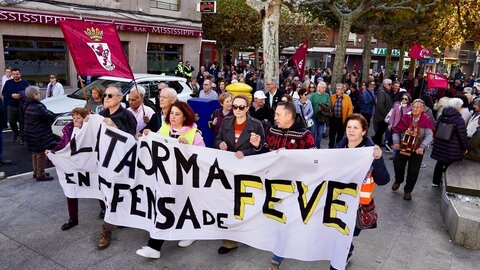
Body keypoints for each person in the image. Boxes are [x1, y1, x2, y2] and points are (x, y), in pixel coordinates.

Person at [249, 101, 315, 270]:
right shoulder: (272, 130)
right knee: (277, 219)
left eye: (278, 114)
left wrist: (290, 157)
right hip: (273, 185)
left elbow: (314, 161)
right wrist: (258, 146)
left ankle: (279, 253)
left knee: (288, 220)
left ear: (288, 115)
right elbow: (267, 152)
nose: (275, 117)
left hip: (294, 188)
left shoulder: (304, 134)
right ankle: (279, 245)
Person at [136, 101, 205, 259]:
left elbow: (203, 156)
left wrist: (189, 146)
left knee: (182, 208)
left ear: (185, 116)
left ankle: (189, 233)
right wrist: (148, 135)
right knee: (165, 208)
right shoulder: (164, 128)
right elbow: (156, 143)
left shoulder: (194, 133)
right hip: (165, 178)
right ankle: (154, 246)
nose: (173, 117)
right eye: (171, 113)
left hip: (185, 180)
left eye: (177, 114)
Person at [334, 114, 389, 268]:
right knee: (339, 235)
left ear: (364, 131)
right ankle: (345, 252)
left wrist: (378, 159)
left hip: (358, 206)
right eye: (349, 127)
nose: (351, 131)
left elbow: (384, 180)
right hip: (338, 203)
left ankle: (342, 256)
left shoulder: (371, 152)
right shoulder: (339, 148)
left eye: (356, 128)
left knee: (345, 236)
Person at [215, 94, 265, 255]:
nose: (237, 109)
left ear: (247, 108)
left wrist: (246, 152)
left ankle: (249, 234)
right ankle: (229, 241)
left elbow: (262, 149)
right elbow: (217, 139)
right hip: (228, 170)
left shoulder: (256, 125)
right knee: (230, 203)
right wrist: (220, 143)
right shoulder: (227, 122)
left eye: (241, 107)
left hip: (248, 171)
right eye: (235, 106)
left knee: (247, 204)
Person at [96, 85, 137, 250]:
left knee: (116, 196)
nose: (105, 97)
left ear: (120, 98)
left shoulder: (127, 115)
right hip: (105, 163)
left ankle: (106, 231)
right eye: (105, 95)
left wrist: (114, 127)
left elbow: (131, 137)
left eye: (110, 95)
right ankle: (113, 222)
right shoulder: (101, 114)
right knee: (109, 196)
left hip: (121, 164)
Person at [48, 107, 88, 230]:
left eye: (78, 117)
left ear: (84, 118)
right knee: (70, 190)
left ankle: (103, 209)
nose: (75, 120)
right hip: (72, 165)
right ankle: (73, 218)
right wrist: (52, 152)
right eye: (74, 117)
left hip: (87, 164)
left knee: (96, 187)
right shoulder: (69, 129)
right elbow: (62, 145)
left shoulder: (88, 130)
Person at [391, 99, 435, 200]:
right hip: (403, 147)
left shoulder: (426, 120)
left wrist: (422, 146)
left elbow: (429, 136)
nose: (415, 109)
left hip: (416, 150)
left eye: (418, 107)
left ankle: (408, 191)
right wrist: (396, 142)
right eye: (414, 107)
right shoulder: (406, 117)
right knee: (398, 166)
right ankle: (398, 180)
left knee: (413, 171)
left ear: (422, 109)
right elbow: (396, 131)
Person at [430, 98, 468, 187]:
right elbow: (462, 135)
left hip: (440, 144)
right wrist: (465, 147)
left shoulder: (442, 115)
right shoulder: (459, 119)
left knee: (439, 163)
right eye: (460, 106)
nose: (461, 108)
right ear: (457, 107)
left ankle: (435, 182)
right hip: (452, 146)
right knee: (451, 165)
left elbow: (436, 127)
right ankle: (448, 183)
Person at [23, 86, 56, 181]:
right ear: (34, 95)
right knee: (40, 154)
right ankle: (40, 174)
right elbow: (49, 117)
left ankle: (36, 171)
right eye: (38, 93)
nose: (40, 94)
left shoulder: (27, 104)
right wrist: (51, 113)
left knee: (34, 153)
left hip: (31, 133)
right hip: (39, 134)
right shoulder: (38, 107)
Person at [2, 68, 29, 144]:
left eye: (17, 74)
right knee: (11, 121)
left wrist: (21, 95)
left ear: (20, 74)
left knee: (22, 122)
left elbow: (28, 93)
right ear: (12, 75)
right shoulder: (8, 83)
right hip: (11, 105)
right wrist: (11, 95)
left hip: (22, 105)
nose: (15, 75)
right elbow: (4, 93)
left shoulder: (25, 83)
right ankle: (15, 133)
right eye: (14, 74)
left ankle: (22, 137)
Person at [329, 83, 353, 148]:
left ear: (342, 90)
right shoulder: (332, 97)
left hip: (342, 119)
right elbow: (330, 107)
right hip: (333, 119)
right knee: (332, 134)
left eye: (339, 89)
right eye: (336, 89)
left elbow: (350, 108)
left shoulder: (347, 98)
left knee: (340, 135)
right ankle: (330, 147)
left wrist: (348, 119)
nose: (337, 90)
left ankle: (337, 147)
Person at [373, 79, 393, 146]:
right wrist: (386, 114)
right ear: (385, 84)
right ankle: (375, 143)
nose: (391, 86)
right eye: (389, 84)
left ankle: (377, 142)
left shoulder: (387, 91)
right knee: (379, 131)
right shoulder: (382, 92)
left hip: (384, 116)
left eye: (391, 84)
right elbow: (380, 105)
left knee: (380, 131)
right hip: (381, 116)